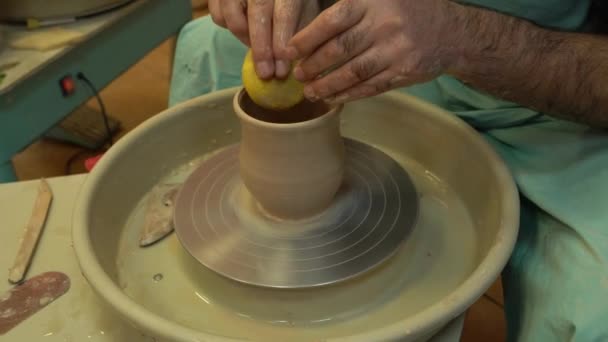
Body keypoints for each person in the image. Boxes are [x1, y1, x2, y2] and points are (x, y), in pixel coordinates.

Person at [168, 1, 608, 341]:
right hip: (367, 50)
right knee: (206, 44)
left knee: (598, 315)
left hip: (549, 100)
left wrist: (458, 36)